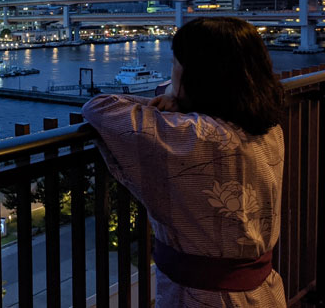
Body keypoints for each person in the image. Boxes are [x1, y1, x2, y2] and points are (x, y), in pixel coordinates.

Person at [82, 17, 286, 307]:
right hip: (263, 290)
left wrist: (169, 97)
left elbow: (100, 107)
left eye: (175, 63)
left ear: (196, 74)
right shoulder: (269, 129)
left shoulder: (190, 136)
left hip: (199, 296)